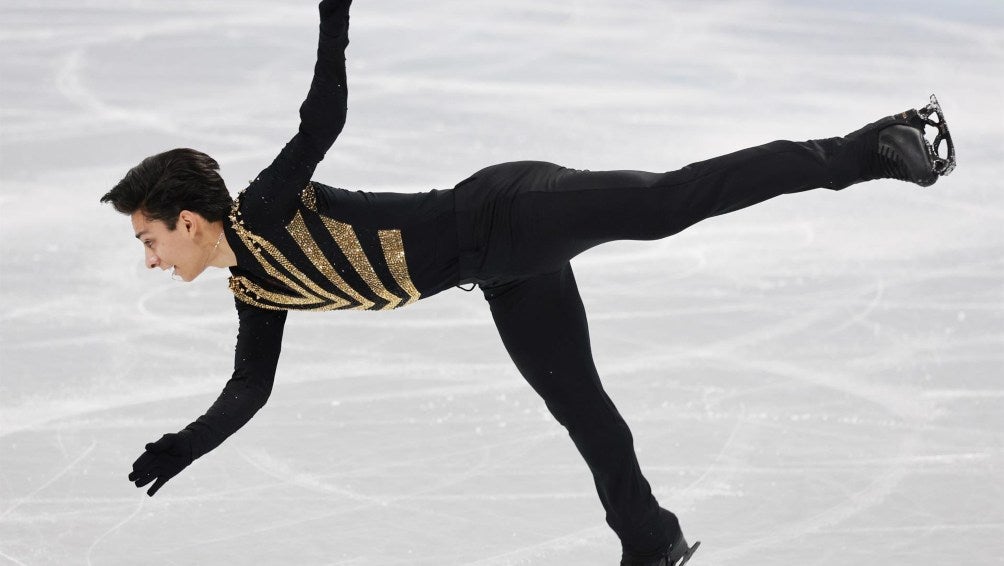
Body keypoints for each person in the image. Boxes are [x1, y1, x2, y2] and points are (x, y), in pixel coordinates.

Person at [101, 2, 955, 565]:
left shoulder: (263, 209)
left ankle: (871, 146)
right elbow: (250, 389)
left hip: (508, 210)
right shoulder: (256, 290)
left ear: (187, 219)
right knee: (579, 405)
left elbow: (320, 119)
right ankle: (651, 542)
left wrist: (335, 11)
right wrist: (186, 445)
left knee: (664, 203)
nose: (147, 259)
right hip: (502, 274)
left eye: (147, 238)